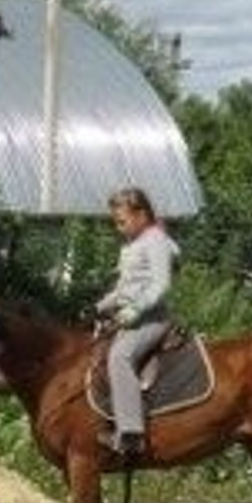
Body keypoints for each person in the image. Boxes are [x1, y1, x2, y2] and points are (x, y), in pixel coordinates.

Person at [93, 186, 180, 456]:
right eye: (116, 223)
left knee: (119, 357)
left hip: (151, 319)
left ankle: (131, 434)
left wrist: (135, 310)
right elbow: (123, 289)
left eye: (122, 221)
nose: (119, 228)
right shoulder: (132, 245)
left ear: (141, 214)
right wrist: (98, 306)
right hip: (129, 318)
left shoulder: (155, 240)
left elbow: (161, 285)